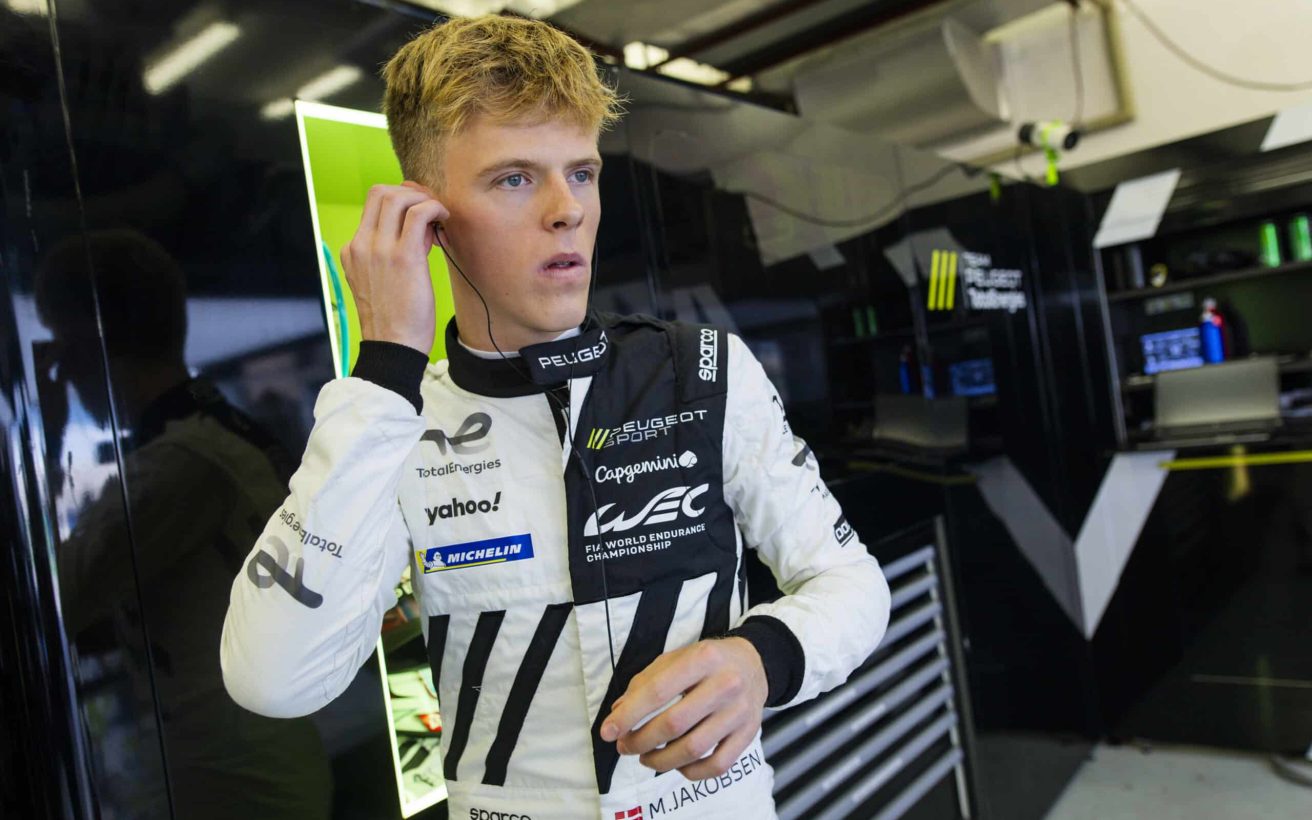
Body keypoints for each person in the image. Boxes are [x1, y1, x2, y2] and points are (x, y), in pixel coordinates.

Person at [221, 13, 890, 820]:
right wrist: (385, 365)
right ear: (423, 216)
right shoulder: (390, 422)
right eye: (515, 178)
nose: (566, 208)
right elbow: (271, 680)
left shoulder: (703, 371)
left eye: (582, 172)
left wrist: (763, 659)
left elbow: (851, 582)